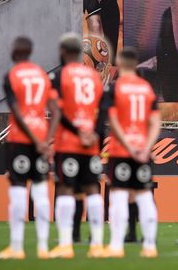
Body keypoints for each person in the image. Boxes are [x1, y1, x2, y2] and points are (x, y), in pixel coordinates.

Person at [0, 37, 60, 260]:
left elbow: (18, 113)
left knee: (19, 189)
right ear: (30, 52)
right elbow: (56, 112)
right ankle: (43, 247)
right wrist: (46, 140)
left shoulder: (11, 76)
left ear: (14, 52)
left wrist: (32, 137)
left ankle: (17, 247)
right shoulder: (43, 76)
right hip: (41, 135)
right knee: (40, 191)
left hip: (21, 139)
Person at [47, 33, 109, 259]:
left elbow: (58, 111)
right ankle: (97, 244)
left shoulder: (58, 76)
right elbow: (103, 113)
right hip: (91, 144)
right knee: (92, 189)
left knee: (65, 189)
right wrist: (94, 135)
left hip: (69, 143)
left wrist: (78, 133)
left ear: (63, 52)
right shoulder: (94, 77)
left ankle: (65, 244)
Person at [104, 47, 160, 258]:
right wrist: (145, 147)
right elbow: (155, 122)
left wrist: (128, 145)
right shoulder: (146, 88)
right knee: (144, 195)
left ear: (119, 61)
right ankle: (149, 246)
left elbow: (113, 120)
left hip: (122, 151)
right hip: (142, 151)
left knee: (119, 195)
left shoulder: (115, 88)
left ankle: (116, 246)